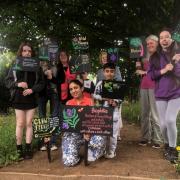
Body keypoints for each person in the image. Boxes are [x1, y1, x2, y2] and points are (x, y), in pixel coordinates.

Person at [5, 42, 45, 160]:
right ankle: (19, 149)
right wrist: (18, 84)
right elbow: (8, 81)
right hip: (18, 97)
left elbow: (42, 83)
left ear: (31, 52)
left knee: (29, 123)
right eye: (24, 50)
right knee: (20, 123)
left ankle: (28, 148)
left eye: (29, 51)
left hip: (31, 98)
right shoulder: (15, 64)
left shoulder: (37, 66)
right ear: (21, 52)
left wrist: (32, 90)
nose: (27, 53)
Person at [148, 29, 180, 162]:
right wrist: (163, 70)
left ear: (171, 39)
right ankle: (167, 145)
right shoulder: (154, 56)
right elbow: (150, 75)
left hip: (176, 92)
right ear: (159, 41)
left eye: (167, 37)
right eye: (162, 38)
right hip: (160, 94)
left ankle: (173, 149)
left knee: (170, 120)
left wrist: (176, 64)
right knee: (163, 124)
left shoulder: (178, 54)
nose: (164, 40)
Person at [62, 80, 106, 166]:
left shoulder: (90, 101)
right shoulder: (68, 103)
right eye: (71, 89)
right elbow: (67, 125)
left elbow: (94, 121)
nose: (73, 91)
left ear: (81, 88)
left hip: (89, 133)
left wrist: (88, 132)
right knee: (69, 162)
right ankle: (75, 154)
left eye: (76, 88)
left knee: (100, 139)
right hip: (75, 134)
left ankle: (93, 150)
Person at [136, 35, 162, 148]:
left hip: (155, 86)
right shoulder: (142, 56)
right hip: (144, 86)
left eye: (152, 43)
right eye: (147, 44)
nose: (149, 45)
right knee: (144, 113)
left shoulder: (161, 56)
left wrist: (145, 73)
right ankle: (145, 137)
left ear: (157, 43)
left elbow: (160, 71)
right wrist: (137, 65)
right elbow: (138, 71)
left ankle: (158, 139)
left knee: (155, 114)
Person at [93, 63, 121, 158]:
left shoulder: (117, 85)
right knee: (103, 133)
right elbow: (95, 96)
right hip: (103, 112)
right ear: (104, 72)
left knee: (113, 134)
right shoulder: (100, 84)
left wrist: (115, 102)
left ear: (114, 72)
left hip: (114, 112)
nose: (109, 73)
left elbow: (121, 98)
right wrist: (103, 98)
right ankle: (102, 149)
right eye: (107, 71)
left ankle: (112, 151)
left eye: (112, 71)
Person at [38, 60, 65, 151]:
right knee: (42, 117)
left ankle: (52, 142)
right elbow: (36, 78)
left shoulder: (58, 64)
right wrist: (44, 72)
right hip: (41, 92)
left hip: (54, 92)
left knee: (54, 116)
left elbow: (61, 80)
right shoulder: (39, 61)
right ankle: (44, 142)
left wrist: (52, 77)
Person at [96, 51, 123, 141]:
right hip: (103, 100)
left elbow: (119, 81)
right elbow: (97, 84)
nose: (104, 59)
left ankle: (116, 134)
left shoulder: (116, 68)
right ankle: (104, 136)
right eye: (102, 58)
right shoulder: (99, 71)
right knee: (104, 118)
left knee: (116, 116)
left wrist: (110, 84)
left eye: (106, 58)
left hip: (114, 96)